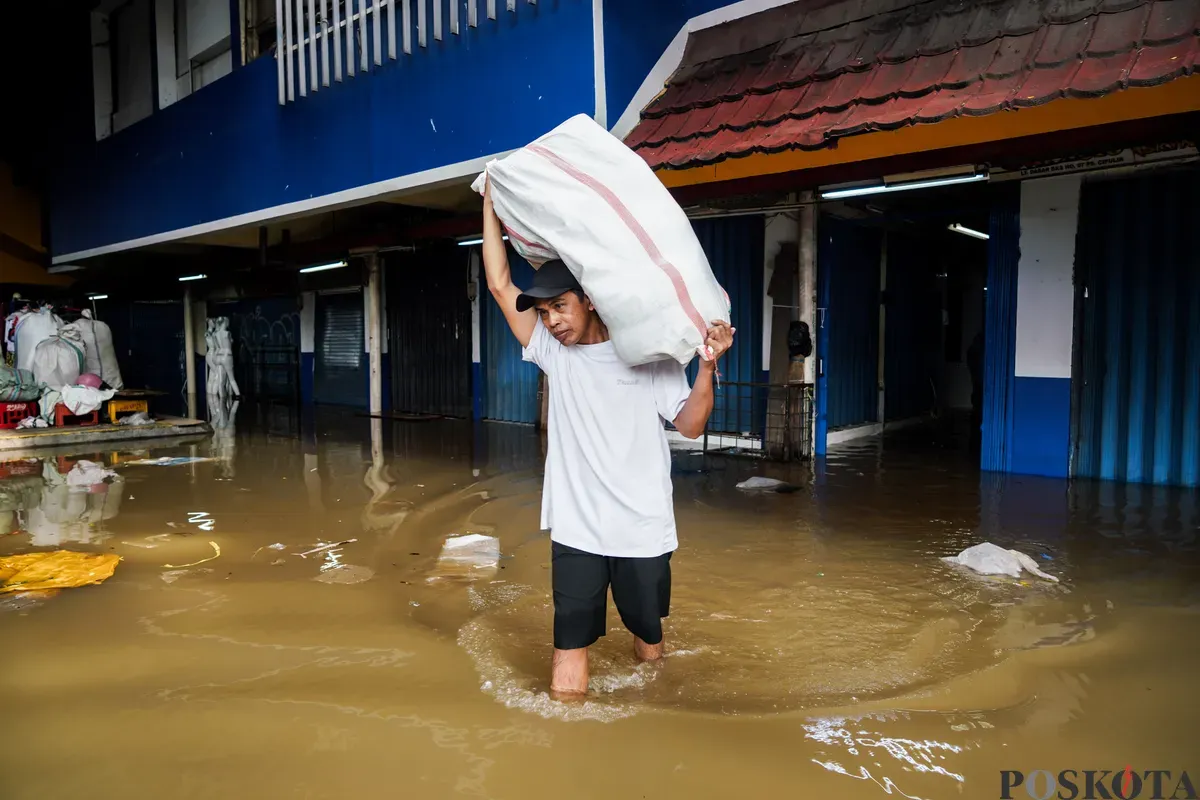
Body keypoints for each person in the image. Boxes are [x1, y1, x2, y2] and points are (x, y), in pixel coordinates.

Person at [480, 179, 734, 697]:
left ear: (590, 301)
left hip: (641, 527)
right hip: (577, 527)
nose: (550, 322)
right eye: (544, 312)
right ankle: (565, 748)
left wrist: (708, 366)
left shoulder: (645, 355)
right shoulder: (553, 353)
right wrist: (490, 200)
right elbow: (500, 285)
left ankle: (653, 714)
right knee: (567, 643)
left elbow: (689, 425)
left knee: (647, 640)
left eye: (560, 308)